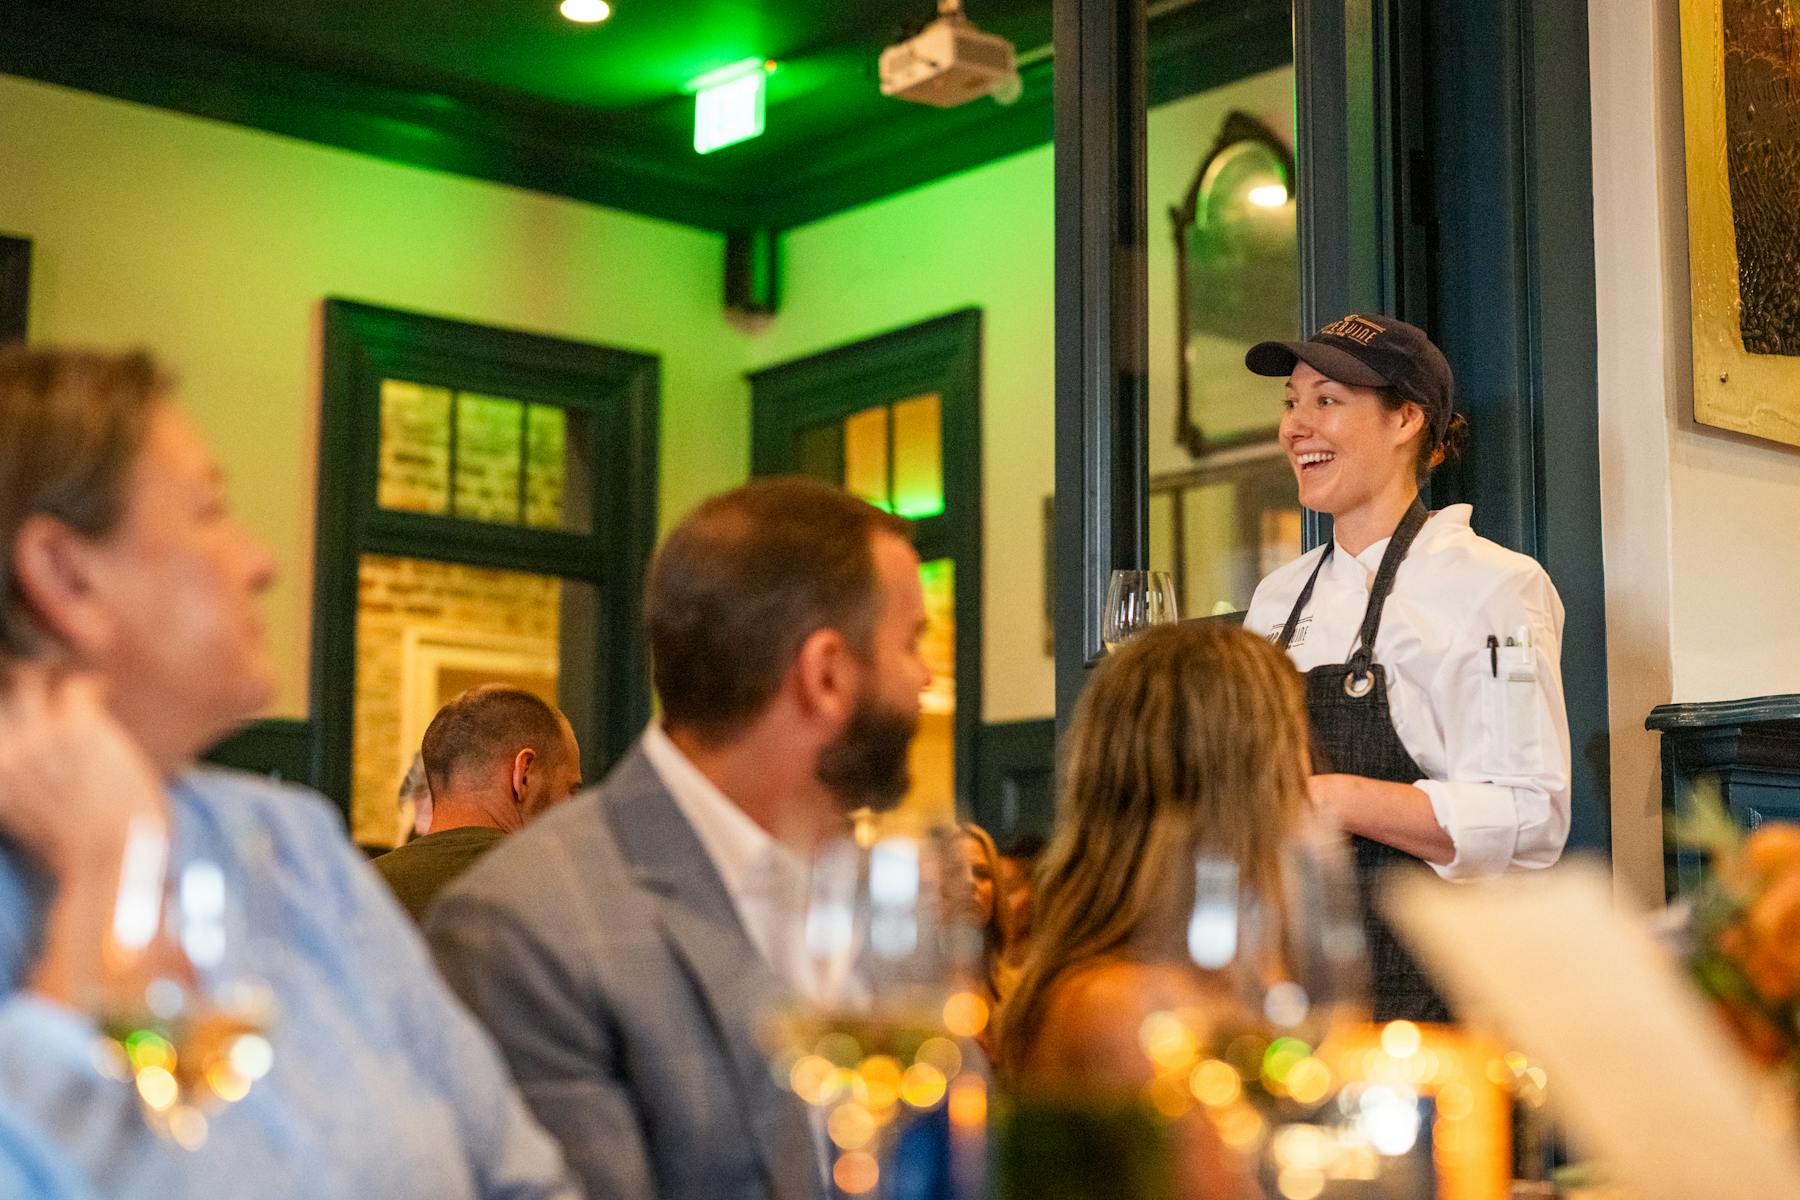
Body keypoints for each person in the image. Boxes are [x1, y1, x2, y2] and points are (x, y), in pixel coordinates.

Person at [0, 347, 575, 1199]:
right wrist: (105, 881)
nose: (259, 561)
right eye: (210, 512)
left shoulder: (289, 842)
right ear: (66, 575)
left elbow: (523, 1177)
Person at [427, 477, 931, 1200]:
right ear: (825, 675)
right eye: (911, 643)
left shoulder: (884, 899)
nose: (926, 677)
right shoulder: (526, 928)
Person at [1241, 313, 1572, 1021]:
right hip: (1288, 982)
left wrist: (1332, 800)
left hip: (1429, 995)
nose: (1296, 427)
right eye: (1291, 403)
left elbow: (1530, 814)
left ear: (1407, 420)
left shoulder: (1496, 586)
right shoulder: (1275, 598)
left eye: (1326, 400)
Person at [995, 622, 1309, 1200]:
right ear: (1246, 780)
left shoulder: (1155, 977)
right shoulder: (1129, 1009)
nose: (1308, 782)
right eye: (1295, 751)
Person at [373, 685, 582, 923]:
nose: (575, 808)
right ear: (524, 774)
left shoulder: (357, 890)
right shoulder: (571, 895)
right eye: (571, 790)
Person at [956, 821, 1007, 1010]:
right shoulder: (907, 993)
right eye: (955, 871)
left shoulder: (1018, 990)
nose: (970, 882)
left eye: (982, 873)